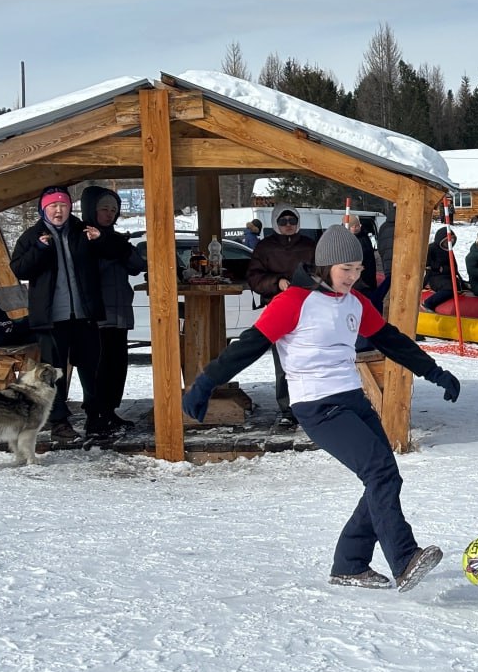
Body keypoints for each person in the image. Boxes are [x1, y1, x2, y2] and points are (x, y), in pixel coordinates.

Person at [182, 225, 459, 591]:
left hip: (352, 399)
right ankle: (403, 557)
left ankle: (350, 563)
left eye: (359, 269)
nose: (353, 277)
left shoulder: (355, 303)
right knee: (379, 473)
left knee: (386, 477)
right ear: (325, 265)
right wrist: (203, 384)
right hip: (317, 404)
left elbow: (391, 341)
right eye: (346, 269)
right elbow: (247, 347)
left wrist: (435, 372)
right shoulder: (294, 301)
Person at [10, 185, 127, 444]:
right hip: (51, 318)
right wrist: (38, 250)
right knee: (53, 372)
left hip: (84, 314)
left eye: (63, 205)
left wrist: (101, 239)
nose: (59, 210)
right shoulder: (32, 236)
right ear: (44, 209)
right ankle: (59, 422)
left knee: (90, 368)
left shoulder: (82, 231)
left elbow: (117, 251)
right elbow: (19, 269)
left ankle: (95, 418)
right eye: (53, 206)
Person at [80, 185, 146, 436]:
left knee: (117, 365)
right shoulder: (82, 237)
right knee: (97, 366)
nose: (109, 214)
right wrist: (109, 244)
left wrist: (115, 244)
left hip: (119, 312)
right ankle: (94, 415)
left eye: (113, 210)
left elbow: (137, 265)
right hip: (96, 314)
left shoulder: (116, 240)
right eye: (104, 209)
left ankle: (109, 411)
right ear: (91, 210)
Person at [246, 203, 318, 428]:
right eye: (283, 221)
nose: (288, 225)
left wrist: (309, 284)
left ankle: (312, 403)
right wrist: (277, 282)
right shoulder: (265, 247)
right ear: (275, 223)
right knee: (283, 360)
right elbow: (255, 277)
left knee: (311, 357)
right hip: (278, 306)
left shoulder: (309, 245)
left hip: (308, 307)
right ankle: (287, 407)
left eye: (292, 221)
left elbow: (323, 271)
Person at [422, 227, 463, 312]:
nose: (450, 242)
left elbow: (454, 267)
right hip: (434, 276)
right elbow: (426, 263)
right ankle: (428, 303)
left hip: (447, 276)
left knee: (457, 287)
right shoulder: (431, 248)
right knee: (450, 289)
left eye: (452, 240)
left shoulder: (449, 251)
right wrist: (439, 268)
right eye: (448, 240)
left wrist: (446, 270)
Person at [370, 206, 396, 314]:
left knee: (388, 287)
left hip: (387, 263)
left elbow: (379, 246)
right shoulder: (404, 226)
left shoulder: (383, 226)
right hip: (398, 263)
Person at [344, 215, 379, 293]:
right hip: (358, 279)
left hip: (370, 275)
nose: (357, 227)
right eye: (354, 226)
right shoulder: (346, 240)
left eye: (358, 225)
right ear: (348, 227)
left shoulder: (365, 236)